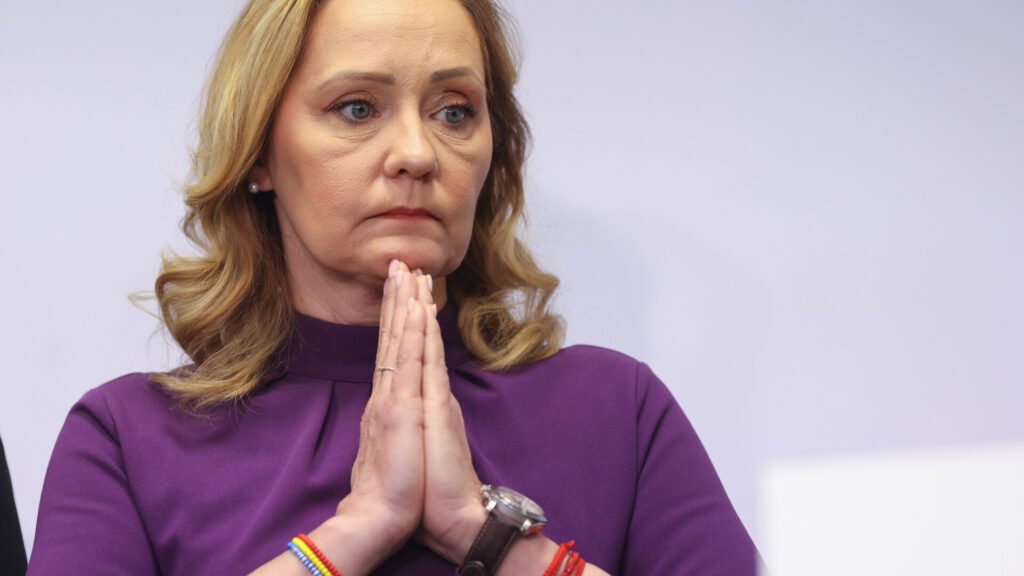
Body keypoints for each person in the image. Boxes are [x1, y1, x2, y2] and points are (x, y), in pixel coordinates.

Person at [28, 0, 760, 574]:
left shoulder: (617, 410)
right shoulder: (127, 439)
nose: (416, 153)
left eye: (453, 111)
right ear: (259, 155)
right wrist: (355, 532)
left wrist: (486, 536)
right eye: (357, 108)